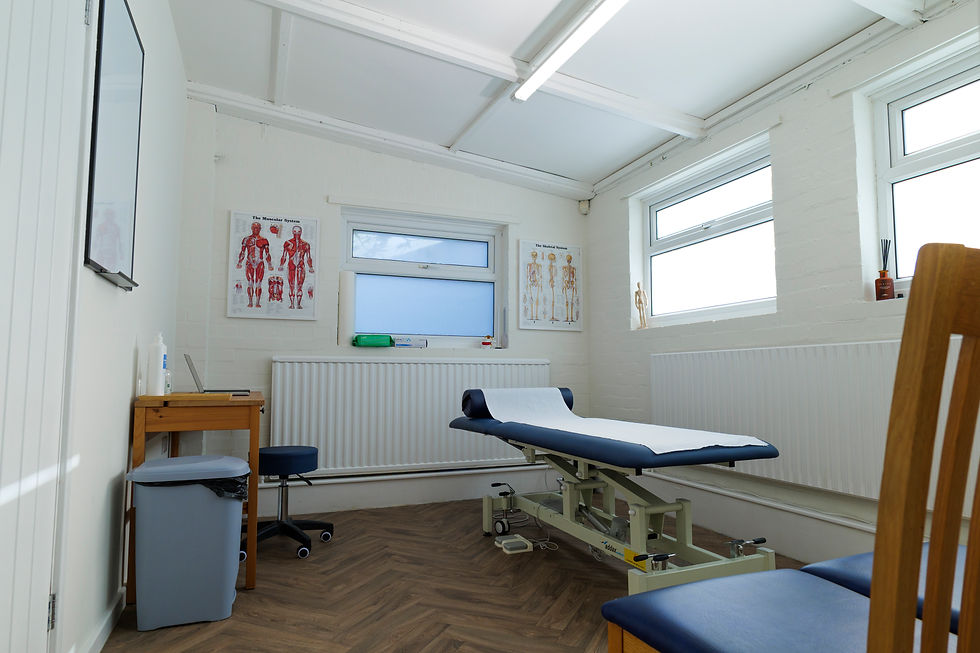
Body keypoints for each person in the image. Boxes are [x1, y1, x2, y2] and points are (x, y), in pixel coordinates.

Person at [236, 221, 272, 307]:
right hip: (250, 262)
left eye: (258, 228)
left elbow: (267, 253)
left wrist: (269, 264)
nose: (256, 230)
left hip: (260, 262)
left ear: (260, 229)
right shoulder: (246, 239)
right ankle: (250, 302)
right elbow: (242, 252)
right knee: (250, 282)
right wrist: (239, 262)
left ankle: (258, 302)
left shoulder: (264, 240)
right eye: (254, 228)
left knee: (258, 283)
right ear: (251, 228)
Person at [279, 225, 314, 309]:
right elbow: (284, 256)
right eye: (295, 232)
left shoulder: (306, 244)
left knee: (299, 286)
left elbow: (308, 257)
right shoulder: (287, 243)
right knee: (291, 285)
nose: (297, 234)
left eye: (298, 232)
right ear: (292, 232)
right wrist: (281, 265)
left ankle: (298, 304)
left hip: (301, 266)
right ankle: (292, 304)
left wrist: (310, 267)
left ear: (301, 232)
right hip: (291, 265)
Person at [525, 250, 542, 320]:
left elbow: (540, 275)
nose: (534, 257)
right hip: (531, 282)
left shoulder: (539, 265)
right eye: (533, 256)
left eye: (535, 256)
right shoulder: (529, 265)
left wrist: (540, 283)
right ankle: (532, 315)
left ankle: (536, 315)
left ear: (537, 257)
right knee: (532, 298)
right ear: (532, 256)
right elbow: (528, 275)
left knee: (537, 298)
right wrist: (527, 284)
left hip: (537, 283)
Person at [561, 254, 578, 322]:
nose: (568, 261)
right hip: (566, 284)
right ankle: (567, 317)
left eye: (569, 260)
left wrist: (575, 287)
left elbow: (575, 278)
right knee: (567, 301)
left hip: (572, 284)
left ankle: (571, 317)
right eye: (567, 260)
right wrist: (563, 286)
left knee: (571, 301)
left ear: (570, 260)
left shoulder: (573, 268)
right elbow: (563, 277)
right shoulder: (564, 268)